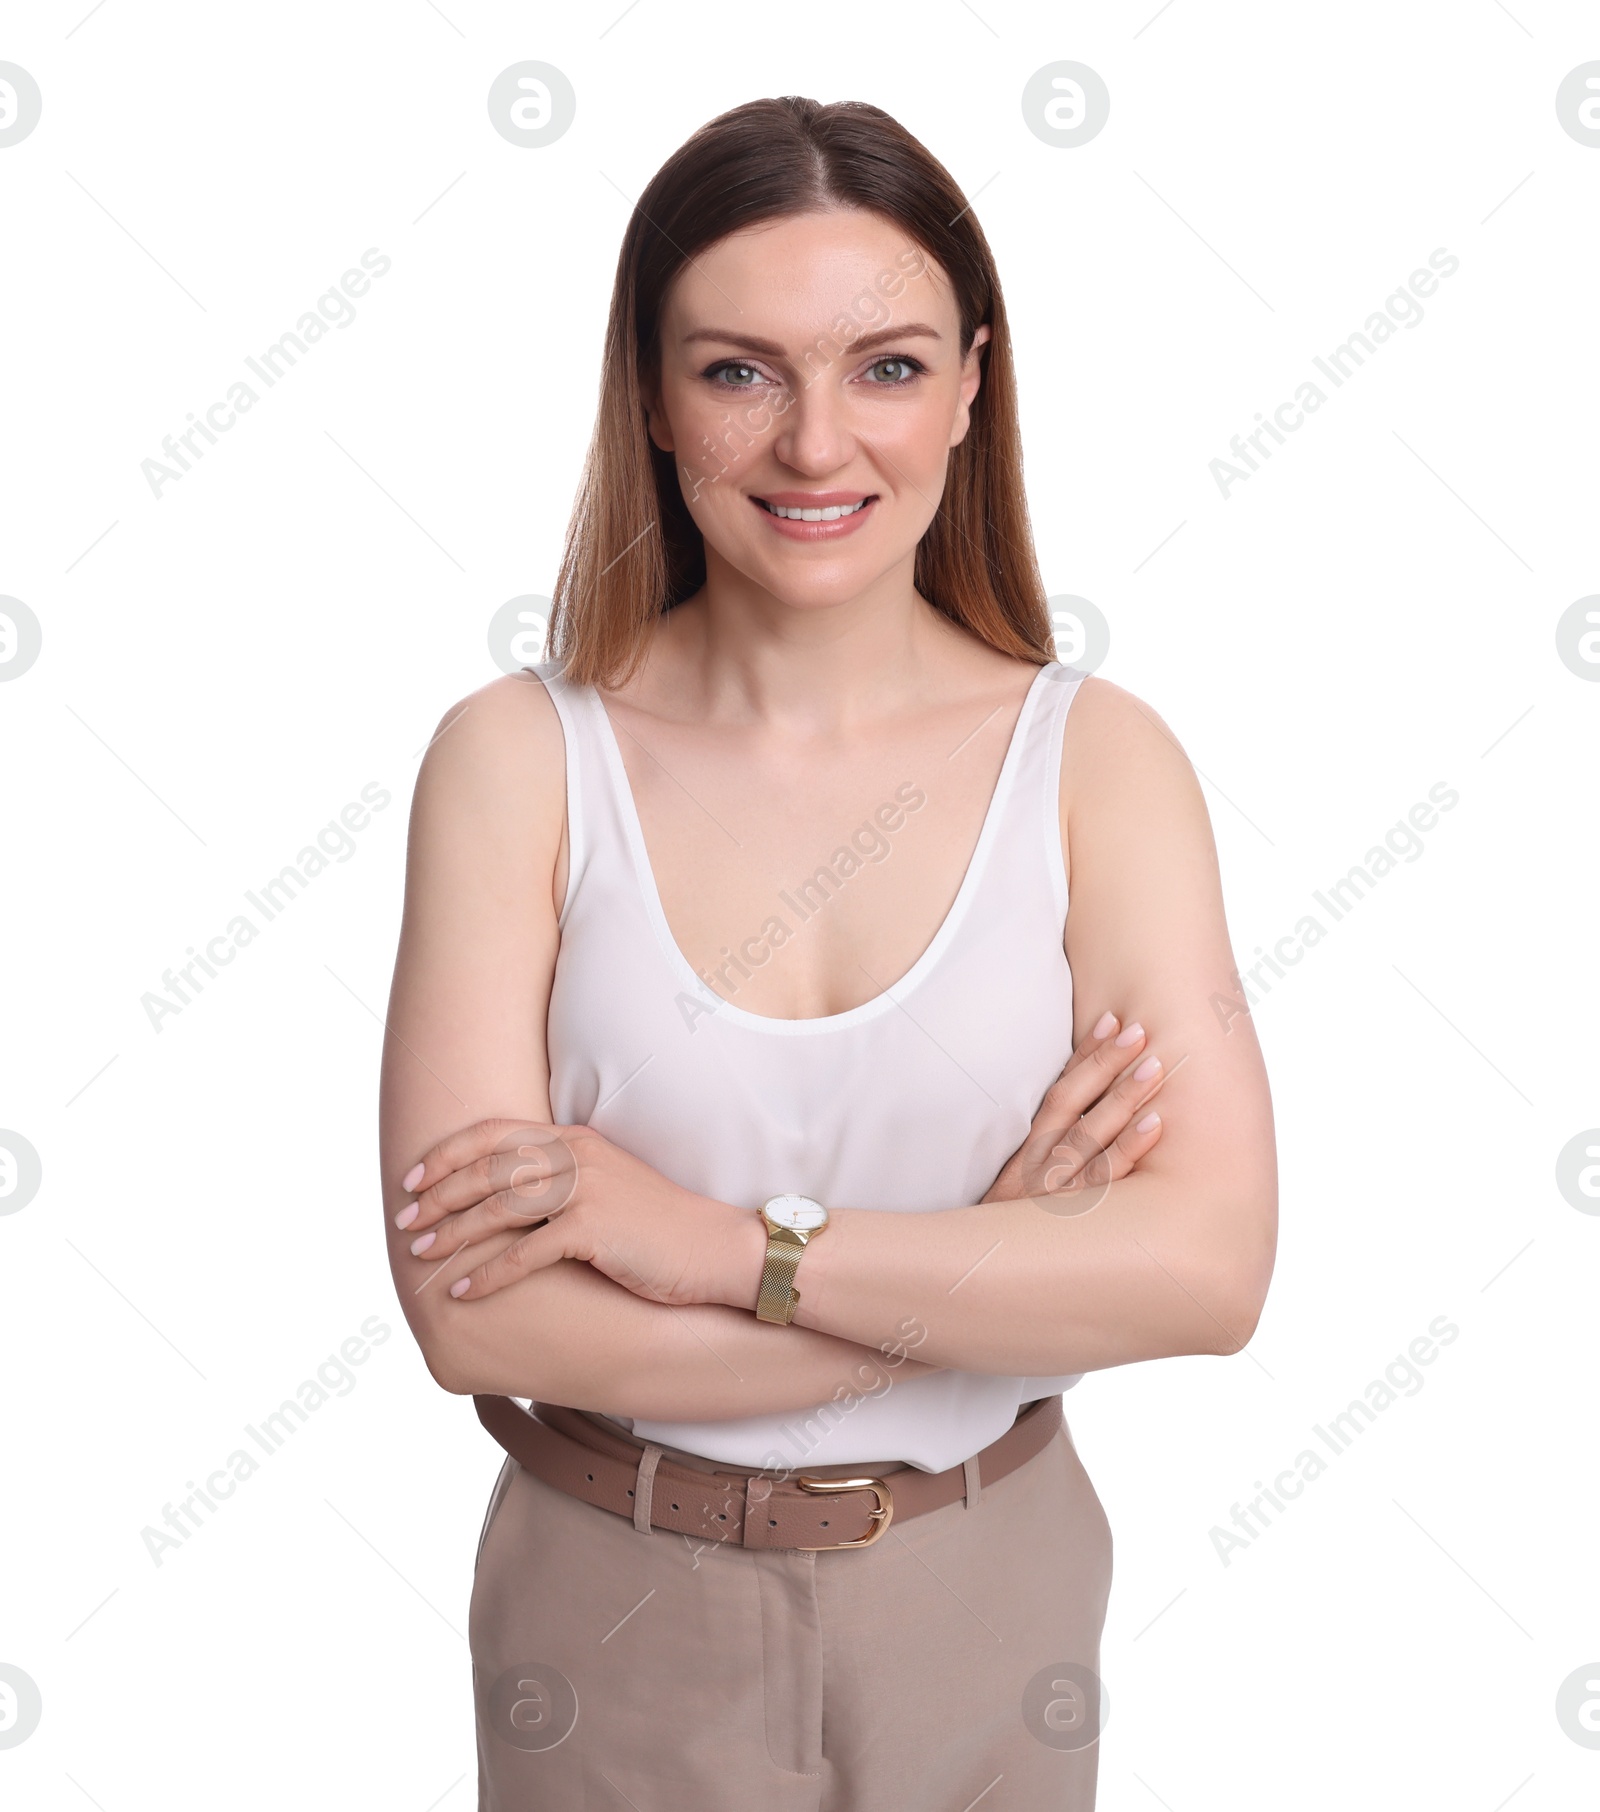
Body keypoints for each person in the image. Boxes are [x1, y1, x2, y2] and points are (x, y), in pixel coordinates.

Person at [378, 94, 1276, 1811]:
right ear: (649, 392)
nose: (813, 446)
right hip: (612, 1594)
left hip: (987, 1582)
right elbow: (475, 1321)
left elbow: (1211, 1273)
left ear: (969, 385)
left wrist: (715, 1247)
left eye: (883, 366)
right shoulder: (515, 761)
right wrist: (989, 1278)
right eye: (737, 371)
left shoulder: (1100, 765)